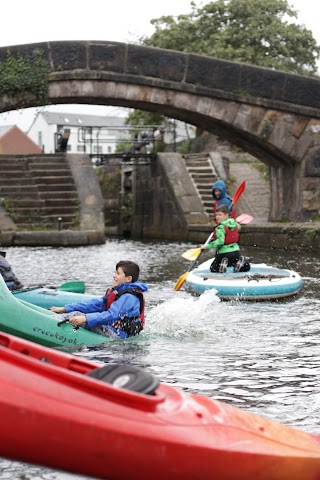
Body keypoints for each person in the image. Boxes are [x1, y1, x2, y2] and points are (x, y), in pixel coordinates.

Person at [50, 260, 148, 339]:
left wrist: (86, 318)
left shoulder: (129, 297)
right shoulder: (118, 292)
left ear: (128, 279)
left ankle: (48, 323)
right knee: (76, 313)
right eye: (115, 272)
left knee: (78, 315)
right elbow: (94, 305)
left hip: (119, 336)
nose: (114, 276)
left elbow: (112, 315)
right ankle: (52, 317)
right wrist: (65, 309)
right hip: (112, 329)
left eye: (118, 273)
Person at [200, 204, 250, 273]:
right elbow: (239, 227)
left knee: (213, 268)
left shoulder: (220, 227)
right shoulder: (235, 225)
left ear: (226, 215)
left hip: (224, 253)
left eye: (220, 215)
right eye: (216, 215)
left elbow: (220, 241)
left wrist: (207, 246)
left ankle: (223, 264)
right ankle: (241, 262)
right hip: (236, 252)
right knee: (245, 268)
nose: (217, 217)